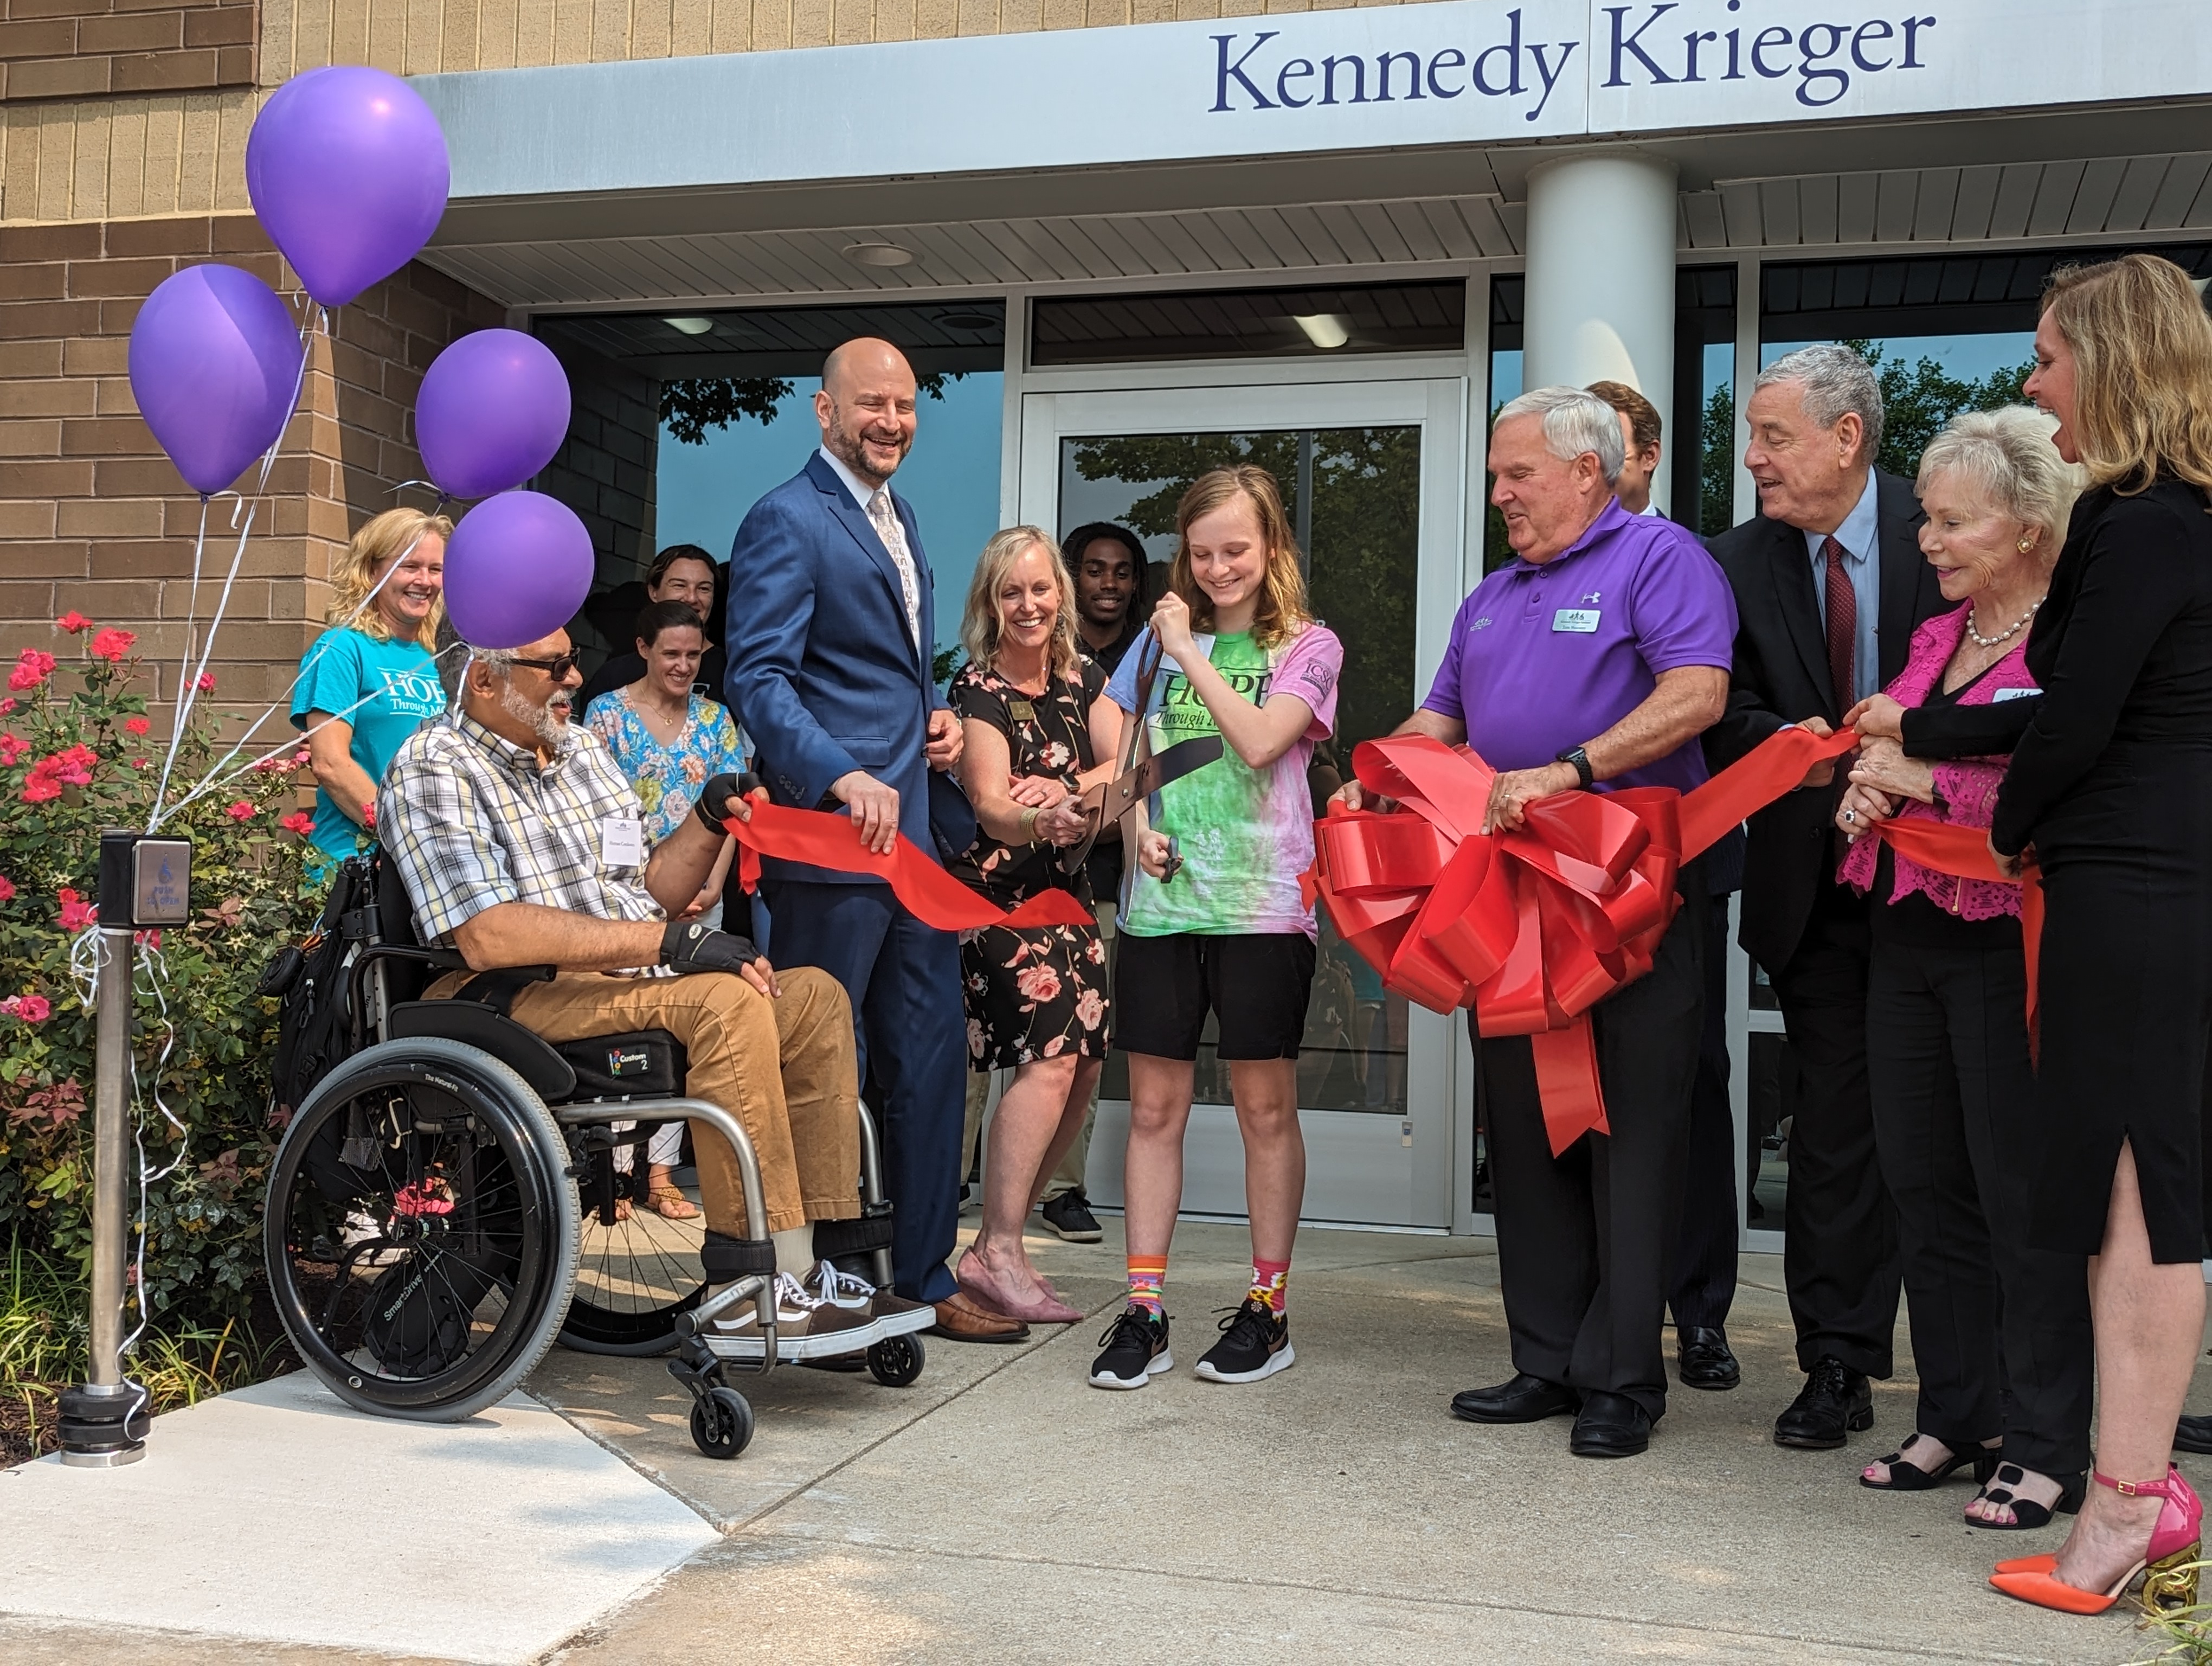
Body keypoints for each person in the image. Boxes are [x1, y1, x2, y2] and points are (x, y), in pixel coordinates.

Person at [1854, 255, 2212, 1615]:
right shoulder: (2156, 517)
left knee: (2137, 1198)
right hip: (2134, 880)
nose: (2029, 381)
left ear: (2110, 365)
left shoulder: (2142, 517)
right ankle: (2133, 1493)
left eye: (2048, 355)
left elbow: (2066, 723)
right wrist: (1919, 727)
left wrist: (1999, 830)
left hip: (2131, 886)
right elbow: (2048, 702)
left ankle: (2123, 1503)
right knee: (2128, 1193)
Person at [1346, 387, 1733, 1458]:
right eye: (1495, 475)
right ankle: (1546, 1358)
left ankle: (1625, 1380)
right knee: (1524, 1129)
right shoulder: (1491, 596)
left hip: (1627, 897)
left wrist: (1570, 770)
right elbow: (1443, 720)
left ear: (1590, 474)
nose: (1500, 492)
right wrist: (1384, 776)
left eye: (1518, 473)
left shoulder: (1659, 559)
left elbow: (1697, 692)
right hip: (1512, 903)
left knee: (1634, 1133)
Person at [378, 627, 929, 1346]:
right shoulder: (433, 765)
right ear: (485, 681)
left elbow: (646, 898)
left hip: (617, 985)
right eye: (555, 666)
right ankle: (747, 1285)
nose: (577, 675)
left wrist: (706, 817)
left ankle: (819, 1260)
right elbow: (488, 936)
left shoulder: (580, 754)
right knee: (726, 999)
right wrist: (676, 944)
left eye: (573, 656)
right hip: (504, 995)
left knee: (815, 996)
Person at [1832, 407, 2093, 1530]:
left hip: (2007, 939)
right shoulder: (1944, 640)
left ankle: (2044, 1443)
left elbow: (2040, 789)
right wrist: (1868, 787)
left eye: (1952, 521)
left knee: (2017, 1196)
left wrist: (1913, 774)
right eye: (1927, 518)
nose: (1928, 541)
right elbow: (1893, 751)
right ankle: (1955, 1413)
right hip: (1909, 931)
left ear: (2029, 526)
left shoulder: (2067, 639)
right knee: (1923, 1184)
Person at [725, 337, 1017, 1343]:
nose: (889, 421)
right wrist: (838, 771)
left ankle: (925, 1274)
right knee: (824, 1066)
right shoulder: (785, 517)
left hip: (912, 849)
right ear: (823, 411)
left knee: (930, 1058)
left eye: (904, 405)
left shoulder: (904, 519)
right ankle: (834, 1276)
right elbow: (759, 676)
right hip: (831, 842)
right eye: (869, 405)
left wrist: (934, 718)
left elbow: (882, 671)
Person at [1705, 343, 1948, 1451]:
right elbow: (1721, 705)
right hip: (1815, 891)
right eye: (1751, 437)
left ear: (1847, 438)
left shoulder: (1944, 524)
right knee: (1838, 1140)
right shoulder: (1734, 560)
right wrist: (1804, 751)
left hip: (1959, 885)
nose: (1751, 458)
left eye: (1772, 437)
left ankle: (1971, 1391)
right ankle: (1837, 1365)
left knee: (1960, 1136)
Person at [1089, 464, 1342, 1391]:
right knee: (1153, 1110)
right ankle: (1145, 1308)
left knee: (1263, 1109)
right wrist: (1137, 831)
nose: (1218, 566)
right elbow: (1128, 758)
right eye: (1201, 553)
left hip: (1264, 906)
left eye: (1235, 549)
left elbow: (1264, 741)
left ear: (1270, 546)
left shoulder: (1308, 645)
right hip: (1163, 912)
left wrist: (1191, 651)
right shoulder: (1152, 651)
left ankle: (1267, 1310)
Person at [1587, 376, 1745, 1393]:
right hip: (1554, 882)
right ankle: (1599, 1315)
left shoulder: (1684, 562)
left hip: (1669, 869)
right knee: (1588, 1095)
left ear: (1645, 458)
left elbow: (1717, 703)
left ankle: (1699, 1312)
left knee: (1688, 1089)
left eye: (1619, 447)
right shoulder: (1529, 575)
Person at [945, 527, 1121, 1322]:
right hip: (1001, 903)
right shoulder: (977, 689)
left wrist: (1062, 791)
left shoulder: (1087, 677)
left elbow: (1128, 763)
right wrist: (1033, 817)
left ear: (1062, 596)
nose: (1028, 605)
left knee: (1084, 1069)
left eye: (1041, 589)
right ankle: (998, 1246)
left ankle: (1002, 1245)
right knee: (1049, 1063)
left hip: (1072, 897)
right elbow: (988, 805)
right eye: (1010, 591)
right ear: (990, 602)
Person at [584, 599, 750, 1221]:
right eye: (671, 653)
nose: (682, 665)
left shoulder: (717, 720)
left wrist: (713, 883)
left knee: (682, 1034)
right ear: (645, 650)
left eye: (693, 654)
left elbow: (735, 812)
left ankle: (661, 1173)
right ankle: (616, 1173)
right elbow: (591, 810)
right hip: (624, 897)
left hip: (700, 900)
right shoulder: (606, 715)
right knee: (625, 1029)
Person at [1034, 520, 1150, 1243]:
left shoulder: (1149, 661)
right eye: (1094, 570)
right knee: (980, 1038)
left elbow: (1145, 771)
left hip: (1100, 877)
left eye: (1123, 571)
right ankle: (953, 1178)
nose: (1109, 583)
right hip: (1004, 872)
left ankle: (1061, 1188)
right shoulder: (1030, 658)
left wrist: (1091, 812)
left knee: (1079, 1036)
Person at [292, 508, 452, 881]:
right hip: (355, 865)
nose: (424, 581)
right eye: (410, 566)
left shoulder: (443, 658)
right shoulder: (341, 649)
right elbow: (330, 763)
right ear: (371, 570)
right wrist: (408, 841)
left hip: (434, 866)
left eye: (435, 569)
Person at [579, 544, 725, 710]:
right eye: (679, 586)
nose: (692, 598)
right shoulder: (615, 674)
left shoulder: (732, 673)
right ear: (653, 592)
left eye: (704, 589)